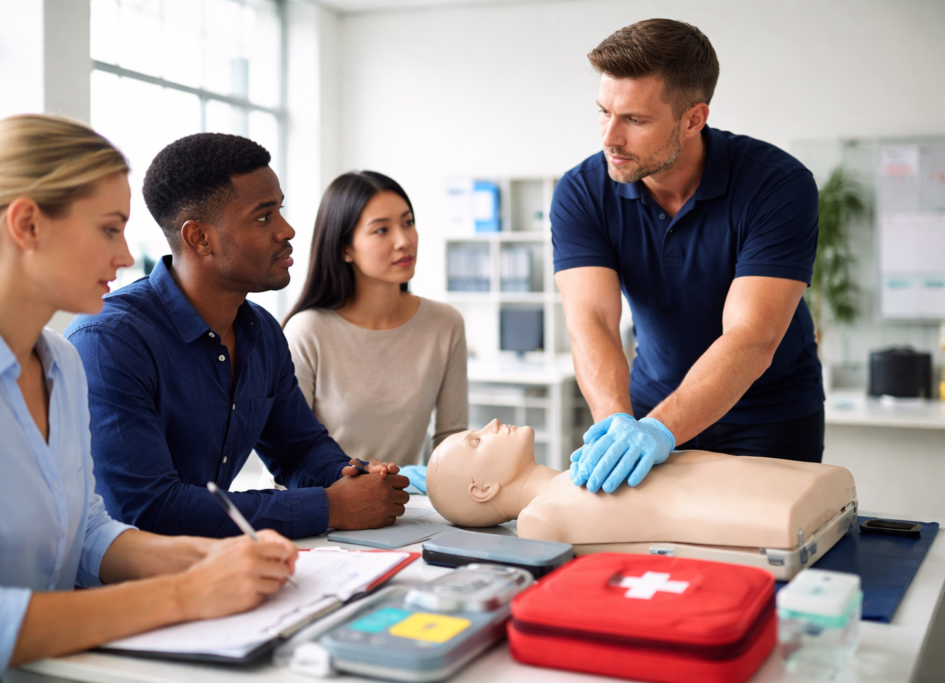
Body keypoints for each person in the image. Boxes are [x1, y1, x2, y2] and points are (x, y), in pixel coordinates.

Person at [0, 115, 299, 683]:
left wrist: (209, 558)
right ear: (27, 225)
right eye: (108, 229)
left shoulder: (60, 364)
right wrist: (184, 594)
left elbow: (85, 533)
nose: (126, 257)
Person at [65, 134, 409, 540]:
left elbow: (298, 449)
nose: (287, 229)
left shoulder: (260, 330)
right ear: (200, 238)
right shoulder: (109, 341)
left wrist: (355, 477)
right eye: (263, 217)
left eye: (280, 209)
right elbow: (146, 509)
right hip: (124, 589)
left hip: (217, 570)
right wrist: (330, 506)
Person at [552, 19, 824, 496]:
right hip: (646, 407)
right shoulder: (582, 192)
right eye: (603, 112)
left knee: (763, 556)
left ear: (694, 118)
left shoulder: (777, 185)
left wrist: (660, 432)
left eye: (634, 120)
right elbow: (592, 320)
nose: (609, 137)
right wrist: (618, 424)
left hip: (768, 415)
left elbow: (751, 337)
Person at [425, 420, 855, 555]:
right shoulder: (540, 520)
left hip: (764, 482)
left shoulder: (592, 462)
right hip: (763, 514)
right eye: (477, 441)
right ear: (482, 489)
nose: (492, 424)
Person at [283, 171, 468, 475]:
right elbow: (289, 454)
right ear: (345, 248)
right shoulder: (308, 331)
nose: (403, 240)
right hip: (320, 505)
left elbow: (451, 443)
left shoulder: (445, 324)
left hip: (402, 507)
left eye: (408, 223)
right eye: (381, 230)